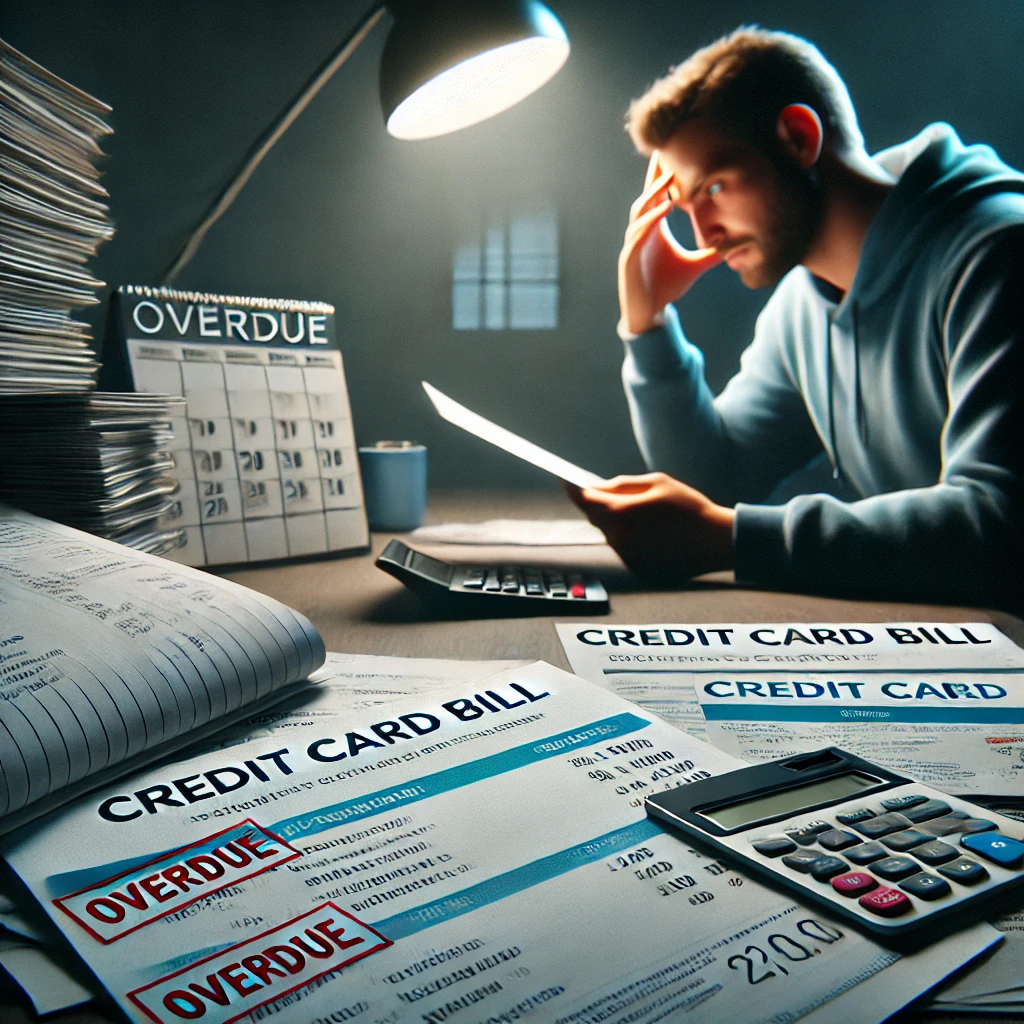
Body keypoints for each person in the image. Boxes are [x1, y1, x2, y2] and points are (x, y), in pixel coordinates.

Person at [569, 26, 1023, 607]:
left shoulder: (1000, 255)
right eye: (685, 206)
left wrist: (733, 540)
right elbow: (714, 479)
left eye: (713, 187)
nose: (703, 235)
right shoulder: (802, 303)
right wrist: (648, 320)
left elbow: (1000, 526)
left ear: (798, 136)